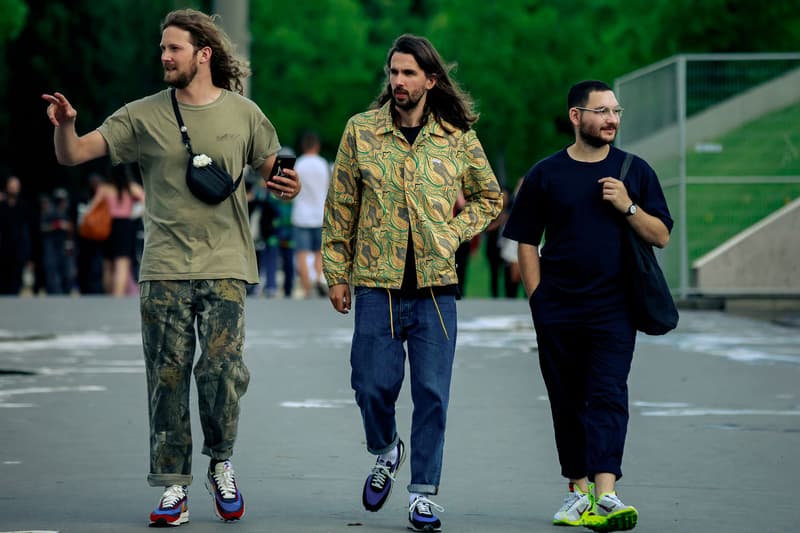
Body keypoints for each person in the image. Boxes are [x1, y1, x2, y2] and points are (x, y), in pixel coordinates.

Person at [42, 8, 299, 527]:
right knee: (166, 378)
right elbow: (74, 155)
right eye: (162, 47)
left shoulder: (244, 114)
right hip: (163, 267)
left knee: (222, 371)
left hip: (226, 262)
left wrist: (285, 184)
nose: (164, 55)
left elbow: (276, 169)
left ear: (203, 54)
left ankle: (220, 462)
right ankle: (172, 486)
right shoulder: (140, 115)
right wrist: (67, 128)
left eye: (174, 48)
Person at [322, 34, 502, 532]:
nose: (398, 82)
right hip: (375, 284)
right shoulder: (361, 131)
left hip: (435, 288)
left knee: (432, 392)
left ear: (431, 79)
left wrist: (452, 233)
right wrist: (336, 273)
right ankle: (385, 451)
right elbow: (341, 208)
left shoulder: (457, 137)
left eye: (408, 74)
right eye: (393, 73)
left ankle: (422, 493)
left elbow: (490, 198)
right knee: (370, 385)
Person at [502, 80, 673, 532]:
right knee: (567, 398)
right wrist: (538, 300)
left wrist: (628, 206)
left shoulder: (634, 171)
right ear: (577, 117)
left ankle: (607, 492)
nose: (612, 119)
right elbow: (524, 239)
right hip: (557, 307)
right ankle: (578, 491)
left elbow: (661, 235)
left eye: (615, 111)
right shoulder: (546, 173)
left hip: (615, 307)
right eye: (601, 111)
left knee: (609, 393)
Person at [84, 164, 145, 297]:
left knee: (107, 263)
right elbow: (146, 202)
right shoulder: (131, 187)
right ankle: (118, 296)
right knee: (122, 262)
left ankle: (109, 295)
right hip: (125, 226)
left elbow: (91, 207)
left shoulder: (104, 188)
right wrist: (133, 214)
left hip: (108, 226)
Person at [291, 130, 329, 298]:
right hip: (320, 214)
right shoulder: (323, 164)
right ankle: (319, 278)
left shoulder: (298, 164)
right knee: (318, 252)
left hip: (301, 215)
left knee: (302, 253)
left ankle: (307, 288)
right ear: (318, 146)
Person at [0, 175, 34, 295]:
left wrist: (30, 256)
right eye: (11, 186)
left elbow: (29, 232)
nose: (13, 189)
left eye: (15, 187)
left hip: (19, 250)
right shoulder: (2, 206)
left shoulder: (24, 207)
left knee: (16, 282)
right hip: (3, 249)